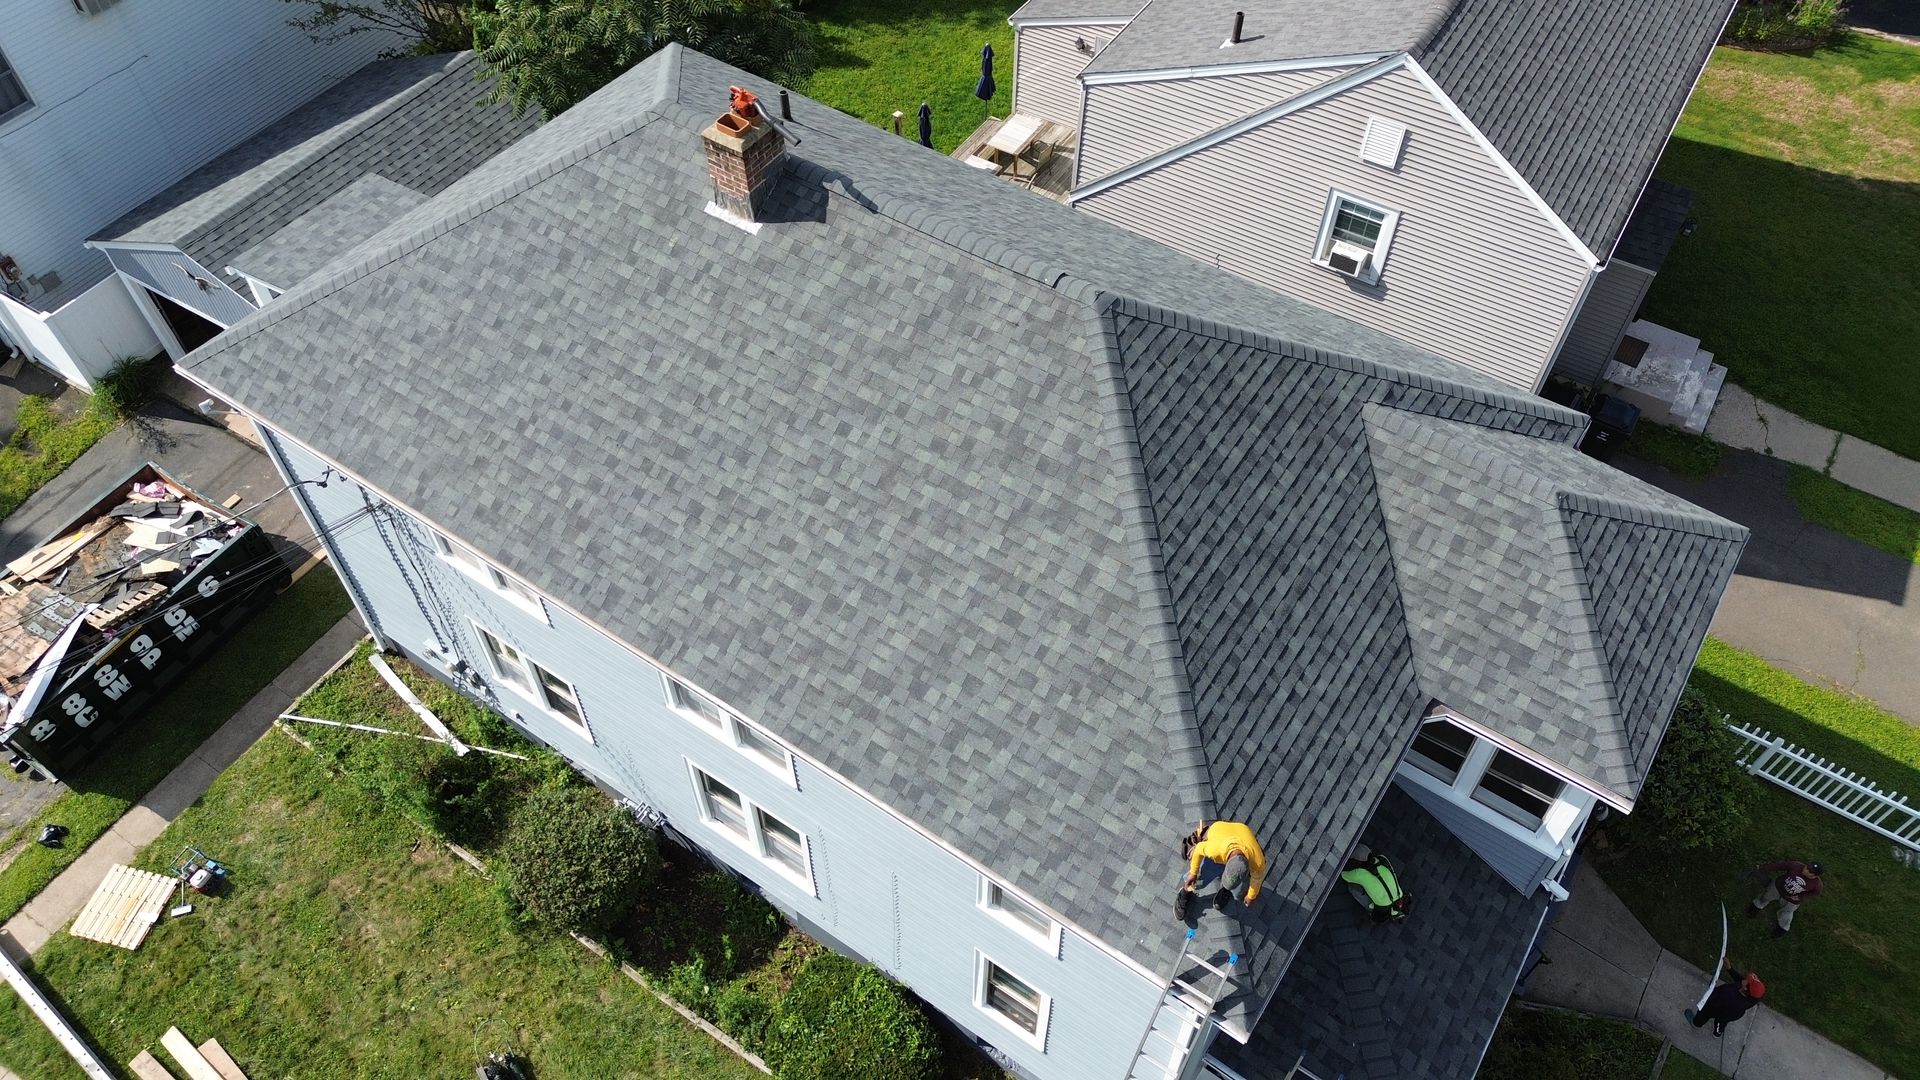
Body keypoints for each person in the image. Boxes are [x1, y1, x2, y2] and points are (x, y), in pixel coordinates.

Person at [1179, 821, 1266, 917]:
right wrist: (1193, 872)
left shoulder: (1258, 863)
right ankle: (1185, 891)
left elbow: (1257, 879)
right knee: (1199, 878)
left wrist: (1251, 896)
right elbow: (1199, 849)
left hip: (1243, 833)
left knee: (1239, 894)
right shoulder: (1215, 850)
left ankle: (1226, 889)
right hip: (1220, 831)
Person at [1684, 958, 1764, 1037]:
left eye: (1747, 979)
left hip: (1717, 1008)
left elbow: (1713, 1001)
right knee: (1721, 1022)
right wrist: (1730, 969)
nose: (1745, 978)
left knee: (1704, 1013)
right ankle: (1717, 1033)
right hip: (1732, 1014)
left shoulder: (1728, 995)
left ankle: (1696, 1024)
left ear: (1746, 988)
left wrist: (1711, 990)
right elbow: (1740, 980)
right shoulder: (1753, 997)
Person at [1750, 859, 1823, 937]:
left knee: (1787, 913)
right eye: (1807, 867)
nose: (1805, 870)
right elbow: (1779, 866)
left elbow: (1814, 893)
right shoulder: (1796, 865)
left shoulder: (1817, 885)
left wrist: (1800, 896)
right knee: (1765, 897)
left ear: (1815, 875)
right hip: (1777, 887)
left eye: (1809, 871)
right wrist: (1761, 867)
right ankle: (1756, 907)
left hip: (1791, 900)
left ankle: (1782, 928)